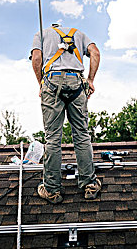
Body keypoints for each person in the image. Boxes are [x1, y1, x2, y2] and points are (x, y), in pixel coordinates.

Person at [31, 23, 101, 204]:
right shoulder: (79, 34)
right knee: (82, 134)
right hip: (77, 82)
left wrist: (40, 83)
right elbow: (95, 53)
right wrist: (91, 80)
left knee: (53, 137)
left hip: (52, 81)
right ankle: (89, 184)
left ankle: (52, 190)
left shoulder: (41, 33)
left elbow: (37, 57)